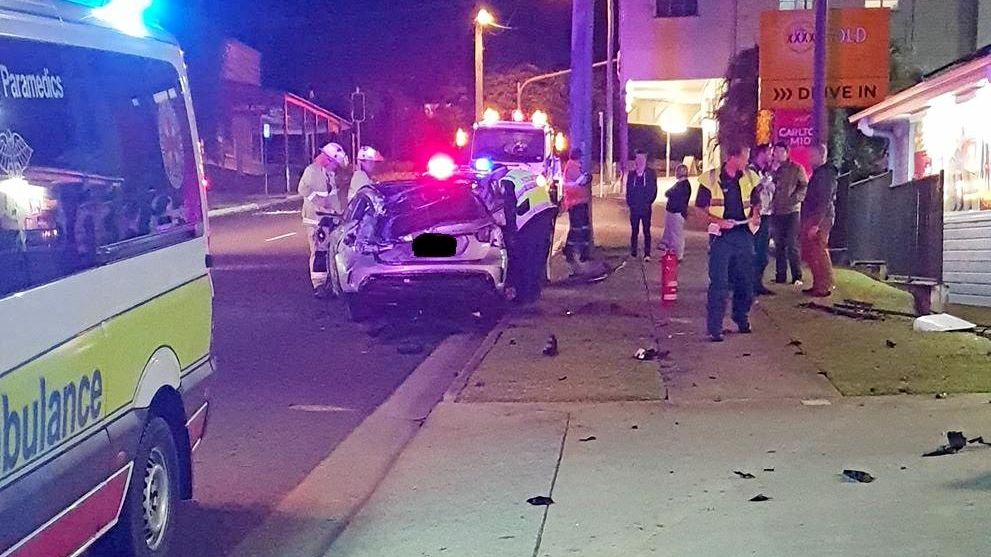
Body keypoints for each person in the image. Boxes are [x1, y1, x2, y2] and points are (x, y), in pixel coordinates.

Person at [693, 143, 762, 343]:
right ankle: (714, 328)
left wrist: (756, 215)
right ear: (732, 158)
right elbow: (699, 210)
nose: (747, 161)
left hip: (744, 234)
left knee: (745, 282)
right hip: (721, 237)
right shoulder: (710, 179)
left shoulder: (750, 177)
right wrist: (718, 222)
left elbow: (756, 202)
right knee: (719, 283)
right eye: (745, 156)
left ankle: (741, 318)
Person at [298, 142, 349, 298]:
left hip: (328, 218)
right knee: (318, 252)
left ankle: (328, 283)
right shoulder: (311, 171)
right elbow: (302, 189)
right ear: (327, 159)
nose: (335, 167)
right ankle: (319, 285)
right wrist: (317, 201)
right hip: (315, 220)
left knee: (328, 251)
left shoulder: (328, 173)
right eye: (335, 164)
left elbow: (332, 196)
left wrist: (339, 213)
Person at [501, 169, 557, 304]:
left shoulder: (507, 181)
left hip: (531, 220)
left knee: (526, 259)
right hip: (545, 214)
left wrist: (510, 232)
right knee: (537, 257)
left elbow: (509, 209)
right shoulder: (522, 174)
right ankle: (533, 294)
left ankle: (524, 297)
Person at [801, 143, 838, 298]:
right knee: (814, 251)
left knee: (818, 250)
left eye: (812, 156)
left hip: (819, 218)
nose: (809, 159)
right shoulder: (821, 174)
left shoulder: (824, 175)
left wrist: (816, 223)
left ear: (820, 155)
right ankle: (819, 283)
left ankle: (824, 285)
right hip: (817, 217)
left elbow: (823, 201)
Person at [770, 142, 808, 286]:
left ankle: (797, 275)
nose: (778, 154)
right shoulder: (774, 169)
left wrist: (794, 199)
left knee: (791, 243)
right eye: (776, 152)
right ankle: (780, 275)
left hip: (792, 211)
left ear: (787, 152)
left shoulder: (796, 168)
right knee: (779, 244)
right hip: (777, 211)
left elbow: (803, 186)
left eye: (781, 151)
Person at [750, 144, 775, 295]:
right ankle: (752, 283)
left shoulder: (764, 171)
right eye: (769, 153)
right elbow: (751, 191)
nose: (771, 156)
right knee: (757, 251)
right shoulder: (751, 172)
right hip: (757, 214)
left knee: (762, 252)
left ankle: (757, 283)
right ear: (762, 153)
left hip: (766, 213)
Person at [625, 149, 658, 261]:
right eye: (637, 159)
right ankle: (633, 252)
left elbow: (654, 190)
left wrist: (648, 201)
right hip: (634, 207)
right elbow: (628, 190)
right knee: (634, 230)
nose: (639, 161)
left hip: (645, 207)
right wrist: (630, 203)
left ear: (645, 160)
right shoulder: (631, 175)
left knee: (646, 230)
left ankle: (647, 253)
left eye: (641, 158)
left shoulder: (650, 174)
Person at [562, 148, 592, 268]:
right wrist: (587, 177)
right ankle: (572, 252)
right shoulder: (573, 167)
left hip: (578, 202)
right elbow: (582, 181)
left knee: (581, 228)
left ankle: (580, 251)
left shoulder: (573, 166)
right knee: (577, 229)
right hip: (576, 203)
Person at [660, 164, 691, 261]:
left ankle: (678, 256)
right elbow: (668, 193)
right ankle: (670, 255)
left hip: (678, 212)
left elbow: (669, 193)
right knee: (670, 235)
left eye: (678, 171)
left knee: (677, 235)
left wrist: (671, 194)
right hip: (672, 212)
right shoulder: (679, 184)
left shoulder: (684, 185)